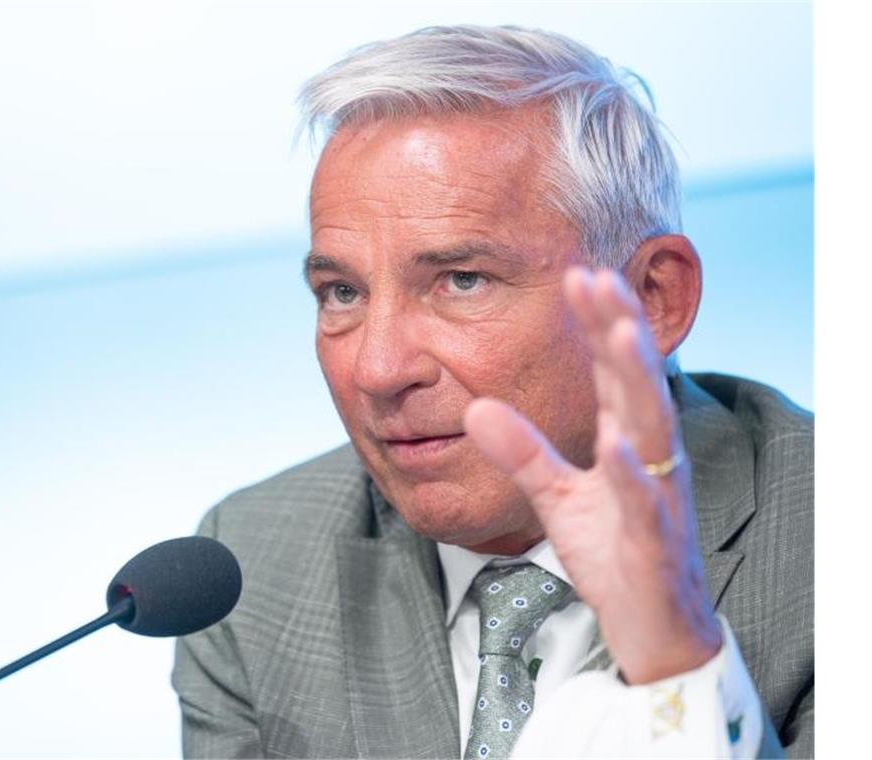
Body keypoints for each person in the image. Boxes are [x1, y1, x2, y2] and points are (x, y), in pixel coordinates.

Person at [172, 24, 812, 759]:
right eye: (341, 292)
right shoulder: (249, 566)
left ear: (653, 298)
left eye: (462, 280)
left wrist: (676, 663)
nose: (378, 369)